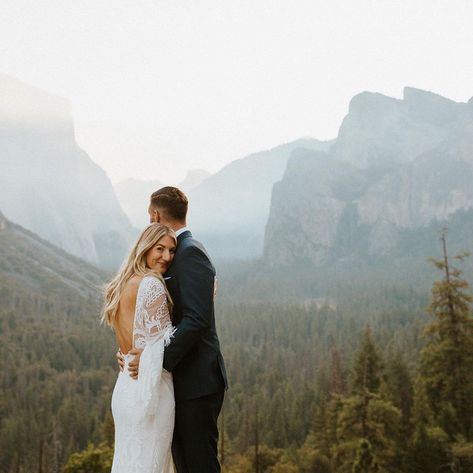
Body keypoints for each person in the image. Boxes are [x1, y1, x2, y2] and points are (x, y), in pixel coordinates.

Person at [119, 186, 228, 473]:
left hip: (196, 382)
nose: (165, 256)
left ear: (155, 215)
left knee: (199, 465)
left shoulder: (190, 253)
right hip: (177, 381)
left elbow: (196, 320)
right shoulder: (179, 253)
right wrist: (132, 354)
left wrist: (153, 361)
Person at [103, 223, 177, 473]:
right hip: (150, 391)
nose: (166, 257)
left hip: (125, 388)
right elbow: (168, 345)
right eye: (160, 248)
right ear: (145, 248)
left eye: (171, 250)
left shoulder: (121, 284)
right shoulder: (151, 285)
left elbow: (133, 343)